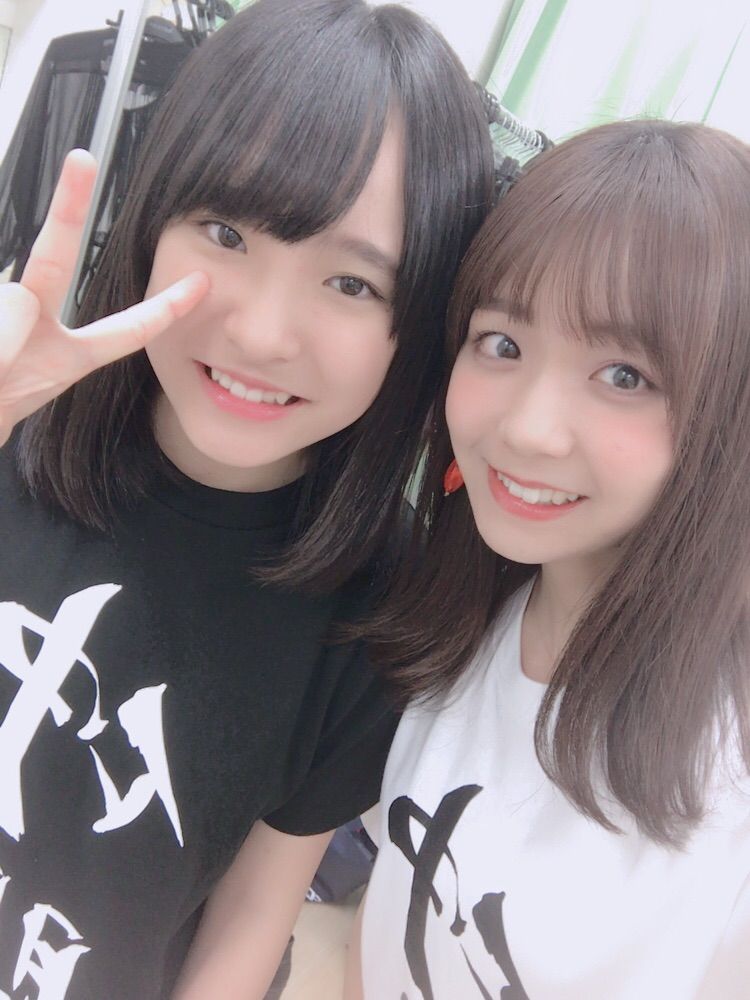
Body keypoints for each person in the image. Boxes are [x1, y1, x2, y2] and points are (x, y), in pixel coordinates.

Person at [0, 1, 496, 997]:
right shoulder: (17, 417)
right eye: (226, 231)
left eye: (352, 285)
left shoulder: (377, 609)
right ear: (155, 215)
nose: (264, 333)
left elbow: (250, 920)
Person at [352, 120, 750, 999]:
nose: (529, 429)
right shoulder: (461, 621)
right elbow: (385, 925)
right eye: (502, 343)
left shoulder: (729, 773)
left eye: (624, 376)